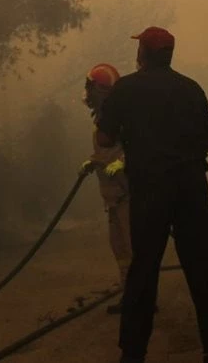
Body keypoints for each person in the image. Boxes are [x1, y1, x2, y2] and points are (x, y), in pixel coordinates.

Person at [96, 26, 208, 363]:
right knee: (205, 266)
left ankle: (132, 353)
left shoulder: (126, 89)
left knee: (143, 270)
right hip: (191, 186)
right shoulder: (190, 88)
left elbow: (104, 140)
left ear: (142, 54)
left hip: (149, 190)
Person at [81, 62, 131, 314]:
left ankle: (141, 300)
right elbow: (105, 151)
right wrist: (92, 162)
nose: (87, 93)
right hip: (113, 197)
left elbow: (132, 151)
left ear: (101, 91)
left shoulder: (121, 117)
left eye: (91, 88)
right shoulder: (103, 118)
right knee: (120, 249)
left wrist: (117, 166)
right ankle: (129, 296)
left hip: (128, 195)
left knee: (133, 250)